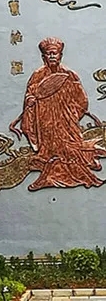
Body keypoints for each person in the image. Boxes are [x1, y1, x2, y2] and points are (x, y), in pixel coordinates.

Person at [9, 37, 106, 191]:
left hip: (66, 121)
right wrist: (31, 101)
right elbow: (30, 95)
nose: (52, 56)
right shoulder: (38, 75)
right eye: (49, 54)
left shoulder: (69, 75)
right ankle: (49, 173)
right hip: (46, 120)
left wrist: (71, 115)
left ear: (60, 55)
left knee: (71, 148)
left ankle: (78, 171)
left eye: (55, 53)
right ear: (43, 57)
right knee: (50, 149)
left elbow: (81, 99)